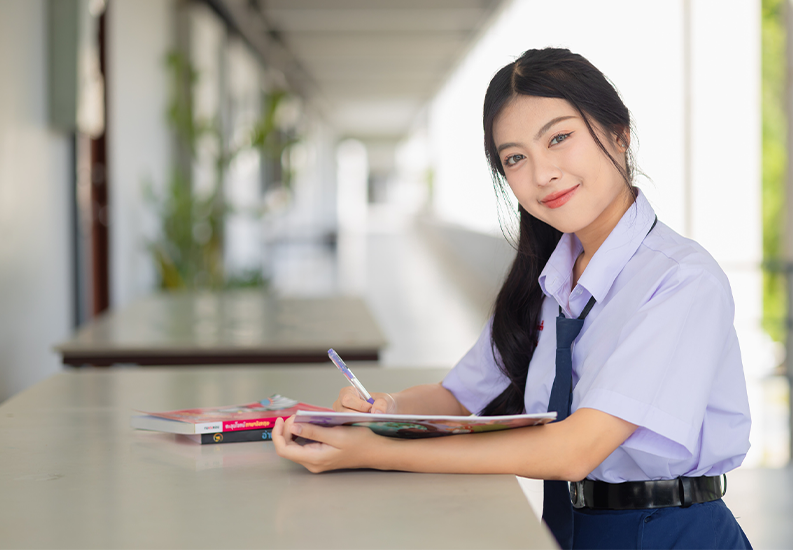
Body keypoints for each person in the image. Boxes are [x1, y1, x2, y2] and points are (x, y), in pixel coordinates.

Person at [273, 48, 752, 550]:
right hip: (566, 528)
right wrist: (381, 412)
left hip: (668, 535)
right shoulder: (550, 280)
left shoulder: (680, 282)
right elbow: (459, 397)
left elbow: (576, 449)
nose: (542, 173)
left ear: (619, 134)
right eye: (516, 158)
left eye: (560, 138)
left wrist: (372, 452)